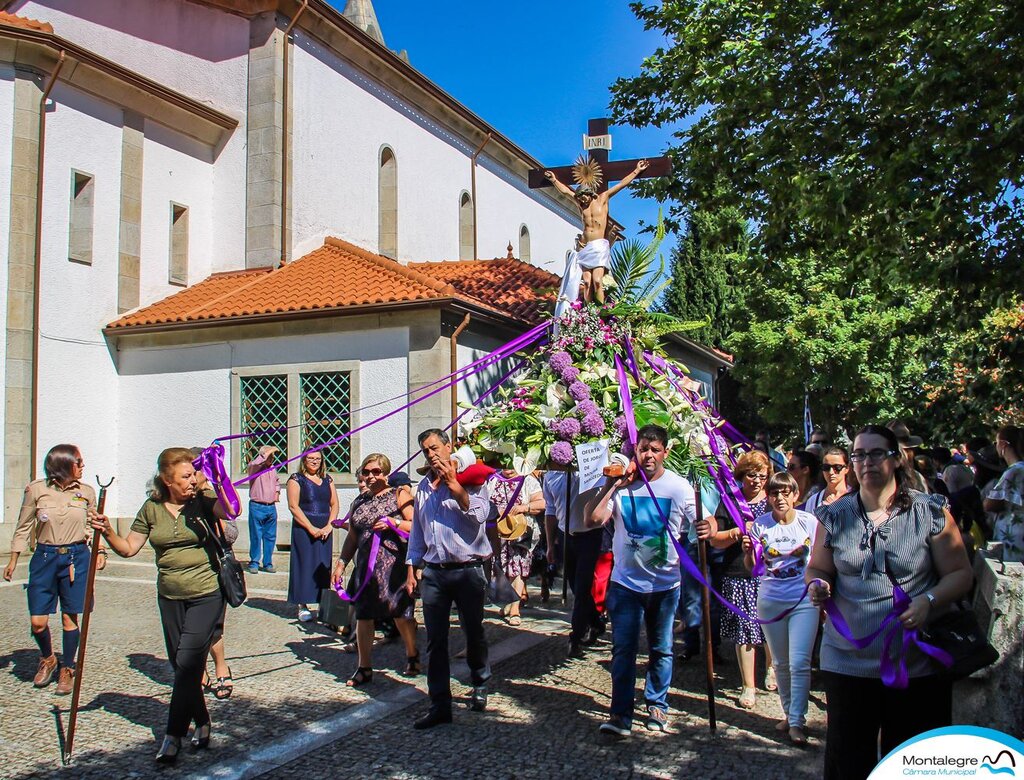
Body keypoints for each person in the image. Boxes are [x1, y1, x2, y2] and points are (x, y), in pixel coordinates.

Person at [806, 425, 973, 780]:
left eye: (877, 453)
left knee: (912, 762)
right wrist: (818, 584)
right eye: (859, 454)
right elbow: (818, 567)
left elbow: (960, 573)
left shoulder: (930, 512)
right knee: (848, 761)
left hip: (915, 664)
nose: (867, 461)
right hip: (848, 662)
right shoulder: (834, 515)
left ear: (895, 459)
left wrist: (928, 601)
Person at [89, 447, 233, 764]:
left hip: (206, 592)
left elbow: (230, 509)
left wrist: (217, 477)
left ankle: (172, 735)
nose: (192, 481)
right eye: (185, 476)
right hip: (169, 595)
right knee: (183, 667)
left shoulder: (203, 502)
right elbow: (128, 549)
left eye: (194, 474)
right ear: (167, 479)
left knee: (187, 660)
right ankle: (204, 722)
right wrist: (108, 531)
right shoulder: (151, 509)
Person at [585, 425, 696, 737]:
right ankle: (620, 714)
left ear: (665, 453)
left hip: (665, 586)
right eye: (644, 449)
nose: (649, 455)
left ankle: (657, 703)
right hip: (626, 586)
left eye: (655, 449)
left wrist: (708, 527)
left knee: (661, 648)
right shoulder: (623, 488)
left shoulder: (678, 487)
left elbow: (703, 520)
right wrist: (611, 484)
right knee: (624, 649)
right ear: (636, 451)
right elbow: (592, 520)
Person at [405, 429, 492, 729]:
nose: (431, 454)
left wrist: (456, 487)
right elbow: (417, 533)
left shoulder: (471, 479)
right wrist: (411, 569)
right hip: (434, 573)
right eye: (425, 450)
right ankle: (439, 703)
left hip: (467, 570)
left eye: (434, 448)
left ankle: (479, 682)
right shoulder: (423, 488)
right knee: (435, 641)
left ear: (448, 447)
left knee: (473, 632)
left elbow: (480, 515)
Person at [4, 444, 103, 696]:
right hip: (45, 558)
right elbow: (23, 525)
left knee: (70, 617)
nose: (82, 466)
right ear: (63, 464)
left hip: (76, 557)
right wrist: (13, 559)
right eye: (78, 462)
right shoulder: (37, 490)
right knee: (38, 622)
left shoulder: (87, 492)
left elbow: (95, 525)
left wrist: (100, 552)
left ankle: (67, 667)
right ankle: (48, 658)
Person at [743, 471, 818, 745]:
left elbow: (820, 559)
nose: (780, 498)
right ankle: (790, 714)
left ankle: (798, 721)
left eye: (786, 492)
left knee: (800, 662)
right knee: (780, 663)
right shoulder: (759, 526)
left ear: (796, 495)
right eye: (774, 493)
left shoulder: (809, 523)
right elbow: (753, 569)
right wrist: (748, 553)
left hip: (803, 601)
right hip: (771, 599)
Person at [696, 450, 774, 709]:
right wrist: (734, 533)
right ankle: (748, 686)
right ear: (742, 474)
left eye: (762, 476)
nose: (757, 481)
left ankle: (771, 669)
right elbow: (714, 540)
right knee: (745, 631)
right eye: (752, 475)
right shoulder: (730, 501)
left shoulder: (774, 499)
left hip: (771, 574)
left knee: (771, 628)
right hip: (738, 573)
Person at [332, 453, 418, 686]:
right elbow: (352, 536)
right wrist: (341, 563)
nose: (370, 476)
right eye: (366, 472)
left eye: (376, 472)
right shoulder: (359, 502)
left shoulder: (399, 495)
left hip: (394, 566)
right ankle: (364, 666)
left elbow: (417, 527)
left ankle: (412, 654)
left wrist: (394, 522)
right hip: (365, 568)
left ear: (386, 473)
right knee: (364, 616)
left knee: (400, 614)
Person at [543, 158, 649, 304]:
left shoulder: (602, 199)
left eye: (584, 197)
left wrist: (637, 171)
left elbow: (621, 184)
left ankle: (600, 309)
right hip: (585, 247)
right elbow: (566, 192)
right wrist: (554, 180)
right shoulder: (581, 205)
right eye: (580, 198)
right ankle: (588, 312)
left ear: (590, 193)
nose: (582, 200)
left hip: (599, 247)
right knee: (586, 282)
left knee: (597, 281)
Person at [191, 448, 236, 700]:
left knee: (213, 626)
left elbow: (231, 533)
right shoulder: (176, 501)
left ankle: (221, 667)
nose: (189, 477)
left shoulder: (213, 496)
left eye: (193, 471)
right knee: (191, 630)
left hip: (213, 570)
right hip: (187, 574)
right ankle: (198, 672)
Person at [287, 451, 338, 622]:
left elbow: (334, 504)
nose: (314, 461)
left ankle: (323, 603)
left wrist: (329, 525)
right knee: (304, 564)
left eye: (317, 458)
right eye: (311, 458)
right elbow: (294, 507)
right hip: (304, 528)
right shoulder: (296, 479)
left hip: (325, 527)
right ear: (304, 460)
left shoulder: (327, 479)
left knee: (323, 564)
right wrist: (310, 528)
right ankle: (302, 604)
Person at [491, 468, 544, 626]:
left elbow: (541, 503)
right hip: (498, 532)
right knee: (502, 568)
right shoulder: (493, 480)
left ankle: (515, 608)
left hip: (520, 532)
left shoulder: (527, 480)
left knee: (518, 568)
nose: (508, 469)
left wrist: (523, 507)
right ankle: (508, 602)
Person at [984, 426, 1024, 561]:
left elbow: (991, 504)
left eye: (996, 442)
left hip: (1014, 536)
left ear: (1003, 444)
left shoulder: (1013, 471)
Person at [246, 445, 281, 575]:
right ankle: (254, 562)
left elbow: (277, 482)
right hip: (257, 506)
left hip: (270, 507)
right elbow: (256, 462)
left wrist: (277, 493)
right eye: (270, 456)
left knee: (270, 536)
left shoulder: (272, 469)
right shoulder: (254, 468)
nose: (272, 458)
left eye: (273, 456)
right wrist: (266, 452)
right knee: (256, 536)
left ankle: (268, 562)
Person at [804, 446, 854, 514]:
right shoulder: (813, 501)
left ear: (847, 468)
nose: (831, 472)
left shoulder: (857, 497)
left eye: (837, 467)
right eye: (826, 467)